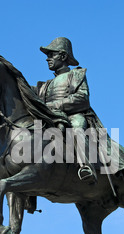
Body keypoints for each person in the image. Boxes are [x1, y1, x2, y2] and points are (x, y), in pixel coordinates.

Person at [33, 37, 97, 183]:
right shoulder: (45, 85)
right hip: (50, 118)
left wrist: (54, 105)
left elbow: (83, 98)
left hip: (73, 116)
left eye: (51, 55)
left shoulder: (76, 75)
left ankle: (85, 166)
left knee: (77, 129)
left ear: (62, 56)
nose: (47, 59)